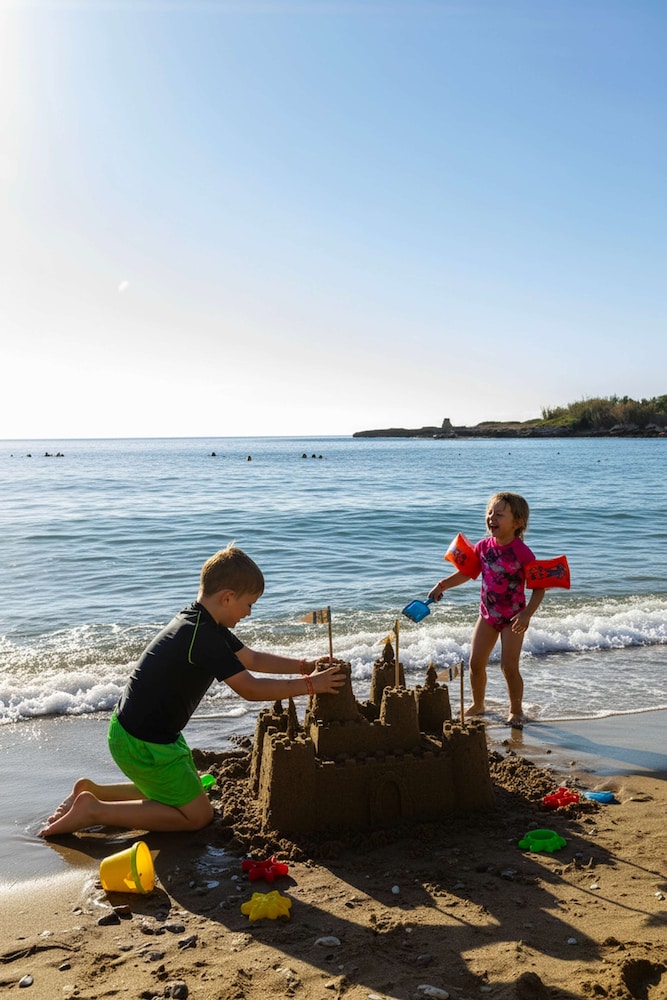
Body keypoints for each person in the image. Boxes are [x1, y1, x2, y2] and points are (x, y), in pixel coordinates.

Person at [40, 544, 345, 837]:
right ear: (228, 597)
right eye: (249, 605)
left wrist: (305, 665)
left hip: (142, 732)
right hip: (144, 744)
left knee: (187, 791)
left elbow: (251, 658)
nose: (249, 613)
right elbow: (250, 689)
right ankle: (95, 810)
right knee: (198, 816)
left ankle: (91, 791)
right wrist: (311, 686)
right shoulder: (205, 638)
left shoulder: (200, 621)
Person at [427, 492, 545, 729]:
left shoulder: (522, 553)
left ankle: (516, 709)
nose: (492, 517)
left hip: (513, 618)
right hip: (488, 615)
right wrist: (442, 585)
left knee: (509, 666)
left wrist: (527, 613)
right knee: (475, 662)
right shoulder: (482, 548)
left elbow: (538, 587)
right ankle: (478, 704)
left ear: (518, 523)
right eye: (490, 513)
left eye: (499, 514)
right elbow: (467, 573)